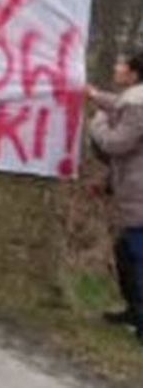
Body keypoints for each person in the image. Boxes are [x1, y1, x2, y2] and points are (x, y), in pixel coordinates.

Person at [88, 51, 143, 341]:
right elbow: (118, 106)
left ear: (133, 74)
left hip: (139, 193)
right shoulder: (132, 100)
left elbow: (117, 144)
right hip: (133, 187)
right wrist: (95, 95)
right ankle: (134, 310)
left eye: (122, 64)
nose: (117, 67)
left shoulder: (137, 104)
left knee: (137, 253)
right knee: (125, 252)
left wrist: (96, 123)